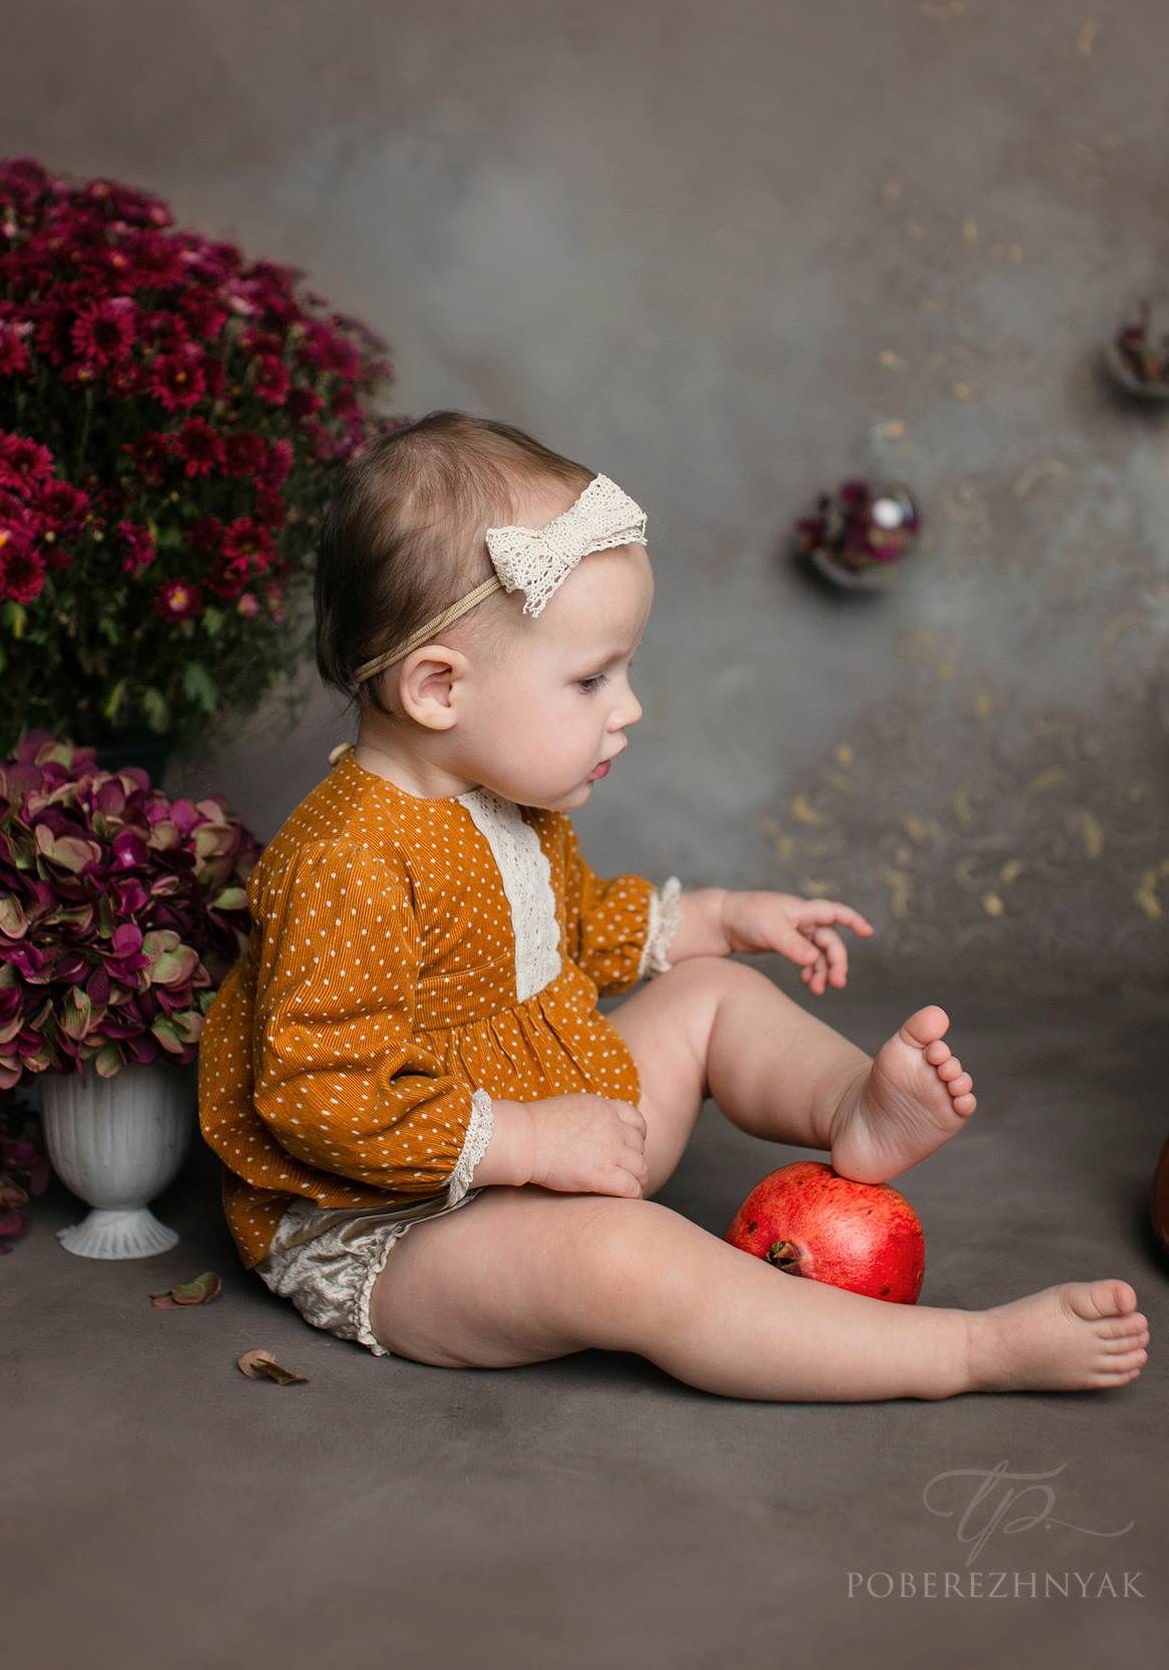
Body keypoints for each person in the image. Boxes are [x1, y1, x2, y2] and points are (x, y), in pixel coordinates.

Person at [199, 412, 1149, 1401]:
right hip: (394, 1229)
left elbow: (571, 925)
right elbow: (317, 1093)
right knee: (626, 1259)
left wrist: (724, 919)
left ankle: (851, 1107)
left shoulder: (500, 800)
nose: (630, 707)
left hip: (563, 1132)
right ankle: (966, 1353)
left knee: (710, 992)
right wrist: (529, 1142)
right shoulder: (346, 859)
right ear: (439, 687)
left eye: (625, 669)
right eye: (590, 678)